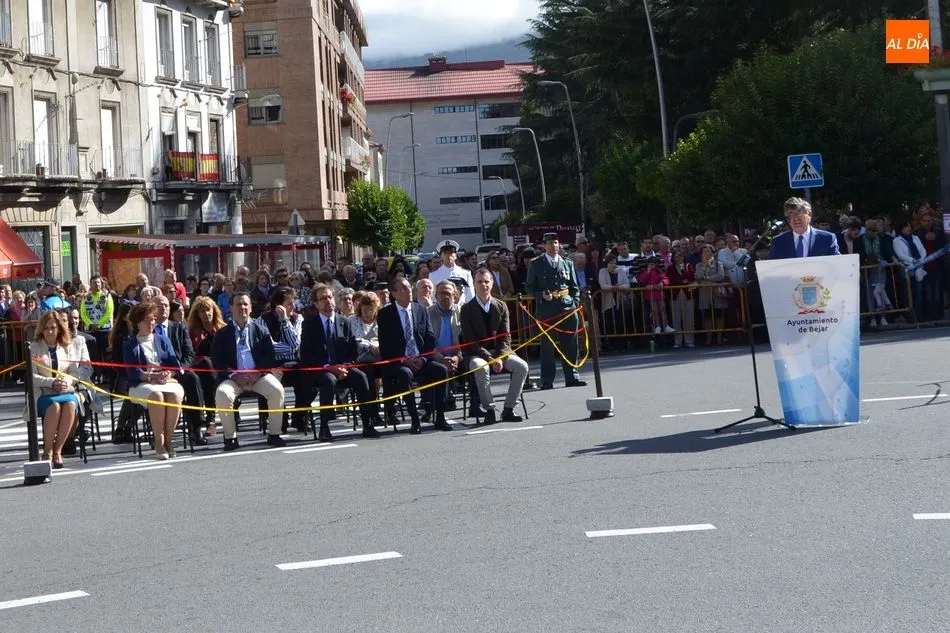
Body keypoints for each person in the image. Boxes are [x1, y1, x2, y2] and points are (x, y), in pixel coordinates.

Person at [298, 284, 380, 441]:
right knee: (329, 380)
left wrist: (345, 365)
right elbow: (307, 355)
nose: (328, 301)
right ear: (316, 304)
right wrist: (329, 367)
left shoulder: (344, 322)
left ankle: (367, 423)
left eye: (330, 297)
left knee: (362, 377)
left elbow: (352, 351)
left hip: (343, 368)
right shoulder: (309, 325)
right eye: (323, 299)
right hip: (321, 370)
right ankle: (324, 427)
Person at [210, 292, 286, 451]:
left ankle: (274, 434)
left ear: (251, 308)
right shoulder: (222, 333)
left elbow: (270, 356)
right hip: (233, 378)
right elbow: (217, 360)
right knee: (222, 394)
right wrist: (234, 375)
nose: (242, 308)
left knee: (277, 390)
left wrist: (257, 373)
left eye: (245, 304)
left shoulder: (261, 330)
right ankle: (230, 438)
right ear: (231, 308)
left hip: (258, 376)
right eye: (238, 304)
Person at [376, 278, 452, 434]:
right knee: (405, 374)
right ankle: (415, 419)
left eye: (409, 287)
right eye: (403, 289)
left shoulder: (421, 310)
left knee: (441, 370)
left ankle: (440, 416)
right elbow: (385, 345)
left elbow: (430, 337)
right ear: (394, 294)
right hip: (398, 362)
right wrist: (404, 360)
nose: (409, 290)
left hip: (420, 358)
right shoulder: (385, 314)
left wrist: (422, 358)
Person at [460, 268, 528, 425]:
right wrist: (490, 359)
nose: (483, 285)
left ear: (492, 283)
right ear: (474, 284)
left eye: (486, 281)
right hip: (477, 354)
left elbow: (506, 336)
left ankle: (509, 408)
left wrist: (499, 357)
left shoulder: (501, 306)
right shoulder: (466, 309)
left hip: (500, 353)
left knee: (522, 366)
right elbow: (470, 341)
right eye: (479, 282)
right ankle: (489, 410)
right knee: (481, 367)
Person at [123, 302, 185, 460]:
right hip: (142, 384)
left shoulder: (163, 340)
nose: (151, 323)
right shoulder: (130, 345)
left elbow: (175, 365)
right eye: (147, 320)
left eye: (153, 319)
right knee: (157, 396)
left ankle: (168, 440)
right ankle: (159, 441)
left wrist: (168, 374)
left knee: (174, 396)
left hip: (166, 382)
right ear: (138, 322)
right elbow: (133, 372)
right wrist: (152, 377)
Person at [525, 233, 586, 390]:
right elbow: (529, 287)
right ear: (544, 245)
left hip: (567, 307)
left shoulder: (567, 263)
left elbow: (574, 287)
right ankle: (547, 380)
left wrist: (574, 303)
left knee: (571, 344)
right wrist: (541, 295)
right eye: (550, 243)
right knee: (547, 346)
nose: (554, 246)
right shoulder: (536, 263)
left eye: (556, 243)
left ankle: (572, 376)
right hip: (547, 309)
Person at [151, 295, 207, 447]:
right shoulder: (148, 329)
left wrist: (176, 370)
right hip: (155, 373)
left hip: (178, 371)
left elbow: (189, 354)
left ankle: (196, 428)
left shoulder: (179, 328)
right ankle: (157, 433)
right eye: (159, 305)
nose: (163, 308)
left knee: (193, 379)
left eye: (166, 305)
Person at [28, 311, 82, 468]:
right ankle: (47, 451)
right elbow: (31, 377)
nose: (50, 331)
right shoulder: (34, 347)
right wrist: (51, 382)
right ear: (41, 329)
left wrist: (66, 381)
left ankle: (58, 451)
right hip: (42, 393)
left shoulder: (67, 346)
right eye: (46, 328)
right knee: (55, 407)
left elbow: (74, 373)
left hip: (65, 390)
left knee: (71, 404)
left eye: (52, 327)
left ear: (59, 328)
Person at [187, 296, 226, 437]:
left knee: (211, 369)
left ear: (214, 311)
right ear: (197, 314)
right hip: (200, 369)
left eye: (208, 310)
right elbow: (191, 354)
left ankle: (212, 418)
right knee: (206, 364)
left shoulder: (223, 329)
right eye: (202, 311)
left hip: (221, 367)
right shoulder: (192, 332)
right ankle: (211, 420)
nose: (206, 314)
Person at [769, 197, 841, 259]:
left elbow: (837, 263)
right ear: (788, 219)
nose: (795, 218)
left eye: (799, 213)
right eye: (791, 214)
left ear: (809, 215)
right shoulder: (778, 242)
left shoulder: (827, 239)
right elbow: (772, 267)